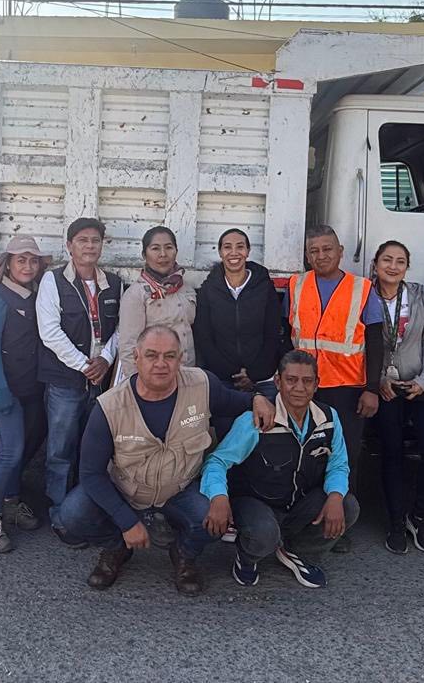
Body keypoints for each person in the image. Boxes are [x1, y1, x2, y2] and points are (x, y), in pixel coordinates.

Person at [55, 325, 276, 596]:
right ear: (136, 357)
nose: (161, 364)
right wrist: (126, 522)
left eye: (169, 356)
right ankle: (116, 548)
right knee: (73, 514)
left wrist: (257, 399)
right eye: (151, 355)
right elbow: (90, 474)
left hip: (180, 489)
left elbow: (236, 402)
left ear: (181, 358)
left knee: (216, 520)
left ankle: (184, 554)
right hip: (126, 490)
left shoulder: (202, 385)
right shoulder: (108, 407)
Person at [201, 350, 359, 588]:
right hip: (256, 503)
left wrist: (335, 496)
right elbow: (217, 461)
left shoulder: (328, 418)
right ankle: (247, 557)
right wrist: (219, 497)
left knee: (348, 506)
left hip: (300, 504)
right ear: (278, 382)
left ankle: (295, 550)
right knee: (264, 533)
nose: (299, 388)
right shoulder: (256, 420)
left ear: (317, 384)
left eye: (307, 381)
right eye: (291, 380)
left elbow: (338, 464)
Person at [285, 224, 384, 553]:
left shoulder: (362, 288)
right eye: (313, 251)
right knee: (303, 453)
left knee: (345, 455)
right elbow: (284, 335)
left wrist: (371, 388)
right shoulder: (296, 285)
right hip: (302, 387)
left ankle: (341, 525)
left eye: (327, 249)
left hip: (346, 387)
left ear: (341, 251)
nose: (320, 255)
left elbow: (375, 342)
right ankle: (305, 518)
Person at [36, 217, 121, 545]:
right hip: (65, 382)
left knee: (93, 449)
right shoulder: (52, 280)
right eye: (82, 240)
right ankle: (59, 515)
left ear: (102, 245)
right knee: (60, 450)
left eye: (95, 240)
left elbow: (119, 330)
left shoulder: (114, 283)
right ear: (69, 245)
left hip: (99, 382)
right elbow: (49, 332)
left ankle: (86, 509)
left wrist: (106, 360)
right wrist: (84, 365)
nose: (89, 246)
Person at [368, 241, 424, 555]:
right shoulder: (364, 295)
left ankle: (419, 514)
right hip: (386, 388)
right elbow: (362, 343)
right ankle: (396, 521)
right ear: (375, 264)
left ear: (407, 267)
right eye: (387, 260)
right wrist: (377, 380)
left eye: (401, 261)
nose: (393, 266)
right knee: (392, 455)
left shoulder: (419, 294)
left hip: (420, 385)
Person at [0, 235, 50, 553]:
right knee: (9, 453)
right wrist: (2, 391)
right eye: (21, 260)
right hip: (4, 391)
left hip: (30, 388)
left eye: (33, 260)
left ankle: (11, 503)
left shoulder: (36, 296)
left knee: (21, 451)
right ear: (8, 263)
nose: (28, 266)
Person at [193, 227, 284, 438]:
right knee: (228, 440)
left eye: (240, 247)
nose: (234, 253)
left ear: (248, 251)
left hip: (262, 379)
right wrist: (233, 373)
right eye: (227, 247)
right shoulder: (209, 290)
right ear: (220, 252)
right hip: (224, 381)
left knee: (264, 438)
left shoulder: (264, 286)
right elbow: (204, 337)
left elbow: (272, 334)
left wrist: (253, 374)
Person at [116, 226, 197, 382]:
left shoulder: (187, 289)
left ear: (176, 251)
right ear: (144, 254)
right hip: (155, 380)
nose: (163, 254)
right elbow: (128, 348)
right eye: (155, 248)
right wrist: (138, 387)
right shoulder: (136, 294)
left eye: (169, 247)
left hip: (187, 377)